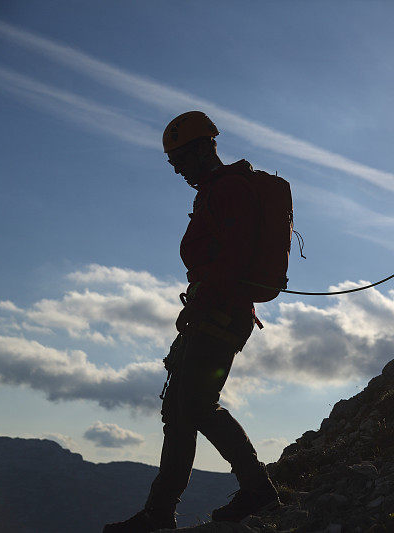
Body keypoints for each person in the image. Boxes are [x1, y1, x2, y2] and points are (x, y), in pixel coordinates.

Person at [103, 111, 280, 532]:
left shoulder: (228, 189)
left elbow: (234, 255)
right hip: (213, 313)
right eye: (173, 162)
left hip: (221, 313)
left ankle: (255, 491)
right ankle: (160, 512)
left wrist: (206, 295)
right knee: (180, 410)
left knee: (194, 406)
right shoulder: (216, 191)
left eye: (180, 159)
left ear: (204, 148)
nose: (178, 169)